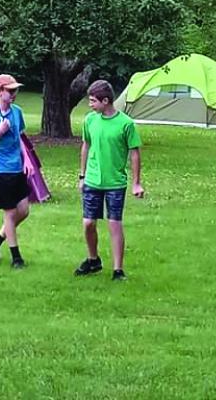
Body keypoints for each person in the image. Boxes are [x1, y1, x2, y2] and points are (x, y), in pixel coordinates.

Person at [74, 80, 144, 281]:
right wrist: (82, 175)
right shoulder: (90, 120)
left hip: (115, 183)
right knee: (88, 223)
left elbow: (135, 154)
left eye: (93, 101)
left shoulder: (126, 124)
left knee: (114, 224)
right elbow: (86, 145)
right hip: (92, 181)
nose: (90, 104)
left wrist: (136, 183)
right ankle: (93, 259)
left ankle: (118, 270)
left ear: (106, 101)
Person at [0, 74, 33, 269]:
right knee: (9, 214)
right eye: (10, 91)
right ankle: (16, 258)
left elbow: (19, 139)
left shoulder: (17, 112)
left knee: (24, 211)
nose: (14, 94)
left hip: (16, 168)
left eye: (15, 90)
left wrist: (27, 160)